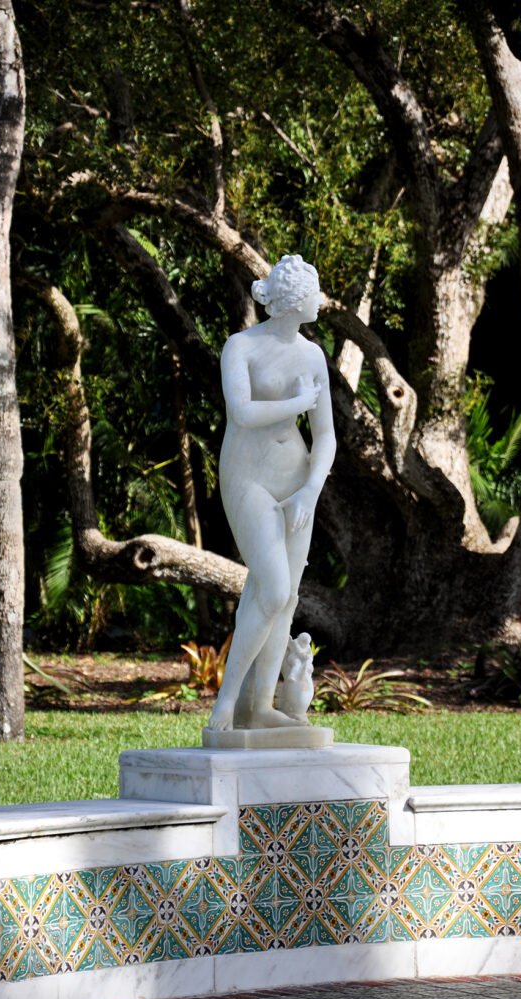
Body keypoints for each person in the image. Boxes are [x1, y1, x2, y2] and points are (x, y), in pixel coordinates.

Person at [207, 254, 336, 732]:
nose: (319, 300)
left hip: (294, 477)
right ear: (289, 301)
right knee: (273, 585)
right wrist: (299, 402)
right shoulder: (240, 347)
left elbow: (325, 436)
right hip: (249, 477)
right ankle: (226, 701)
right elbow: (241, 411)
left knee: (286, 597)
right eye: (313, 292)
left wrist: (310, 490)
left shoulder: (313, 355)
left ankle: (260, 705)